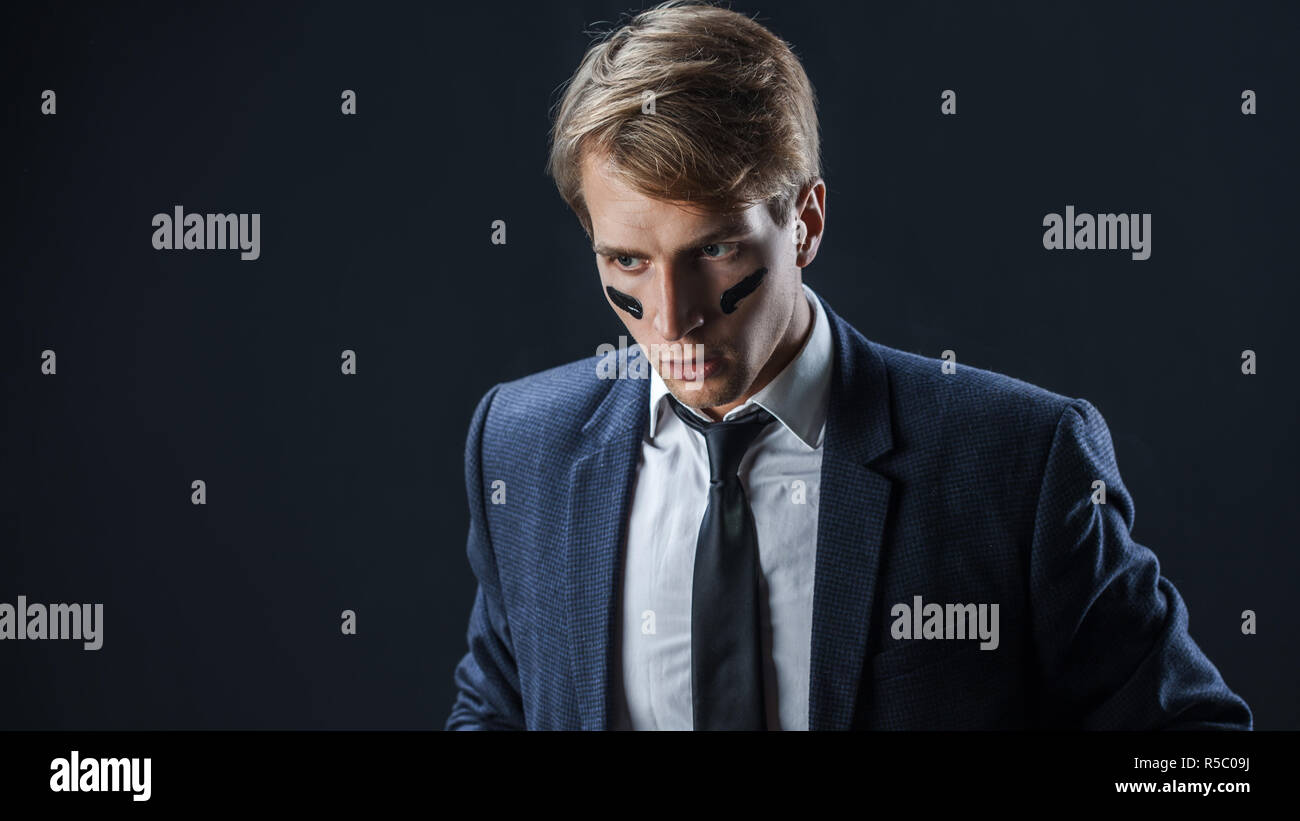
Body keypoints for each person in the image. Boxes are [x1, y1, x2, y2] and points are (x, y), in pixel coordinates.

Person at [444, 0, 1251, 730]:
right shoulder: (520, 448)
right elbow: (493, 710)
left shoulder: (1018, 464)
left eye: (716, 250)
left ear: (805, 223)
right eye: (625, 261)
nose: (673, 316)